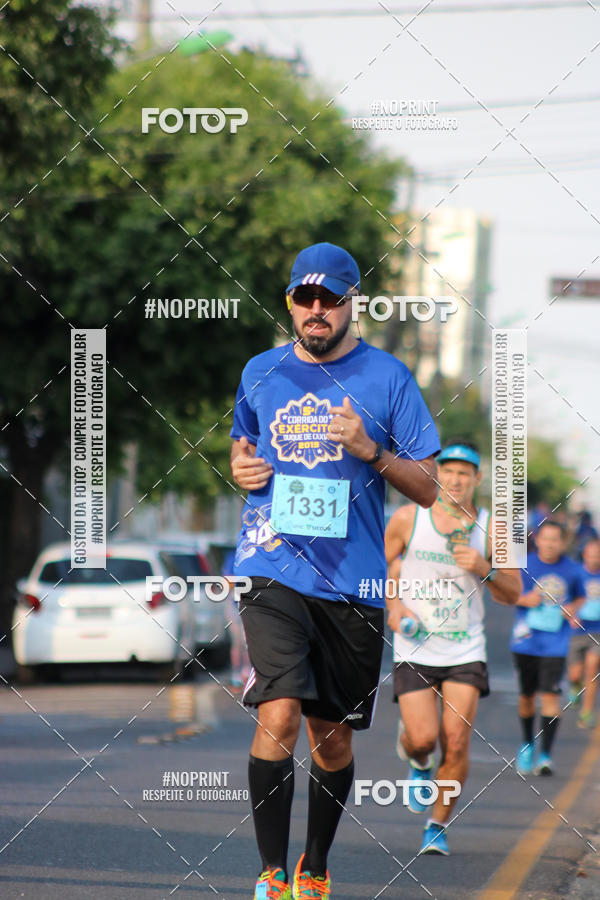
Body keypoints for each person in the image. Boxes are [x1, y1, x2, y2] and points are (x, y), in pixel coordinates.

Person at [229, 242, 440, 899]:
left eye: (329, 299)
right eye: (304, 298)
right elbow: (242, 446)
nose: (315, 310)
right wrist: (237, 468)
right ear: (290, 302)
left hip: (353, 584)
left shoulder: (388, 378)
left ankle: (313, 867)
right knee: (280, 711)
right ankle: (270, 873)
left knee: (332, 741)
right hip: (271, 568)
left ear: (352, 305)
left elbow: (430, 486)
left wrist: (370, 451)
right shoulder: (261, 372)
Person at [384, 440, 521, 856]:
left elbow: (512, 592)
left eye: (465, 473)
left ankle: (436, 826)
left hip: (465, 647)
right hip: (415, 645)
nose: (456, 479)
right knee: (425, 739)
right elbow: (384, 567)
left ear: (477, 479)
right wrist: (394, 606)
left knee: (457, 740)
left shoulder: (495, 528)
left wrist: (484, 567)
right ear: (435, 474)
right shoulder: (409, 517)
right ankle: (416, 756)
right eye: (448, 471)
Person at [511, 520, 585, 776]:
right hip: (526, 641)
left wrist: (573, 609)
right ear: (537, 540)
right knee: (526, 698)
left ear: (563, 542)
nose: (551, 543)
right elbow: (507, 593)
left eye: (556, 539)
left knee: (550, 697)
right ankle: (527, 743)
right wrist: (524, 599)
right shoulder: (525, 565)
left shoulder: (573, 569)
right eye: (546, 538)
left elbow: (580, 596)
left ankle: (545, 755)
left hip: (555, 644)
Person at [567, 538, 600, 728]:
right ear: (585, 555)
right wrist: (571, 614)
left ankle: (587, 713)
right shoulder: (576, 574)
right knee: (575, 673)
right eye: (591, 555)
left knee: (592, 667)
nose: (594, 559)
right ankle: (575, 686)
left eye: (598, 555)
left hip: (598, 631)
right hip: (578, 630)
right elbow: (565, 598)